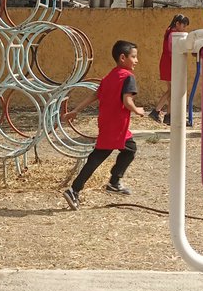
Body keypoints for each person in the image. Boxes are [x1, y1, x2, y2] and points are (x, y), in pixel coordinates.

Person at [59, 39, 147, 208]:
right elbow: (127, 100)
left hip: (106, 124)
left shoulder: (109, 76)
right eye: (134, 57)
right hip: (117, 126)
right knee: (108, 155)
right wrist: (137, 110)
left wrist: (75, 110)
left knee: (120, 151)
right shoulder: (128, 77)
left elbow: (94, 96)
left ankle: (110, 182)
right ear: (123, 58)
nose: (136, 60)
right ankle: (78, 189)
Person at [150, 14, 191, 124]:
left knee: (171, 90)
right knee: (172, 90)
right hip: (170, 63)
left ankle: (169, 115)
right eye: (183, 26)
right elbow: (172, 49)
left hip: (166, 62)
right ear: (177, 23)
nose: (184, 28)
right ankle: (156, 110)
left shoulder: (169, 31)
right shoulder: (173, 34)